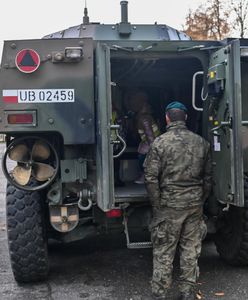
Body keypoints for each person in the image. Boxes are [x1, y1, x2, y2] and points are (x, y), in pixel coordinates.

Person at [144, 101, 212, 300]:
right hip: (194, 204)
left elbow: (150, 178)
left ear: (167, 118)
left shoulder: (159, 143)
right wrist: (201, 198)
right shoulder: (202, 142)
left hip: (170, 205)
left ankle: (159, 293)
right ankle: (187, 293)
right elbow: (208, 178)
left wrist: (157, 206)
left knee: (164, 249)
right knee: (191, 248)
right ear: (186, 118)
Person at [126, 91, 160, 184]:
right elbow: (149, 136)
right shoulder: (144, 118)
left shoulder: (143, 118)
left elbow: (149, 136)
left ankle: (144, 176)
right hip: (148, 146)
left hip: (147, 147)